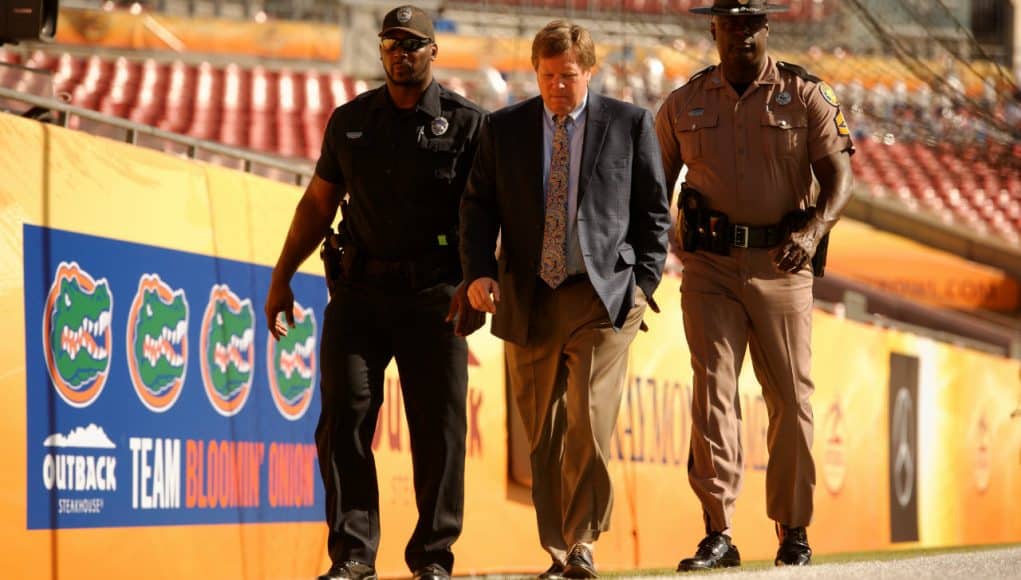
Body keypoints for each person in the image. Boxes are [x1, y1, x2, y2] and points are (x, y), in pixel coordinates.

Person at [263, 5, 485, 580]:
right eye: (392, 43)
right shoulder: (351, 121)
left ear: (434, 52)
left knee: (439, 431)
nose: (402, 53)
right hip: (358, 296)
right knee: (344, 418)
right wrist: (282, 276)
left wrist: (480, 281)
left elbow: (490, 214)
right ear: (381, 50)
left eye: (414, 44)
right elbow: (317, 204)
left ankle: (433, 558)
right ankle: (354, 555)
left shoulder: (467, 124)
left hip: (437, 296)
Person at [460, 20, 671, 580]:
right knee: (543, 435)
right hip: (528, 299)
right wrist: (479, 272)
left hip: (600, 298)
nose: (557, 85)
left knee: (590, 422)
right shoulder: (503, 129)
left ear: (590, 71)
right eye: (547, 75)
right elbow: (477, 207)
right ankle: (556, 550)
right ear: (536, 73)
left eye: (568, 76)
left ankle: (583, 544)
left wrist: (642, 288)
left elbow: (654, 213)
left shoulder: (629, 124)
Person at [654, 0, 855, 570]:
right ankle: (718, 531)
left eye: (750, 22)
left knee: (791, 399)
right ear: (713, 29)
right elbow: (654, 183)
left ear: (767, 27)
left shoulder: (807, 94)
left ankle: (793, 528)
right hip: (710, 268)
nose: (740, 32)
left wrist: (816, 229)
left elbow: (841, 174)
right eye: (730, 22)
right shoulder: (683, 102)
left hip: (782, 262)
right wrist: (663, 233)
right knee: (712, 393)